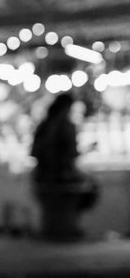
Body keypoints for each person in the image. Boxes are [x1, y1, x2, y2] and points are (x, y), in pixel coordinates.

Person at [30, 93, 95, 239]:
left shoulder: (44, 124)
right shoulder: (66, 126)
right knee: (91, 185)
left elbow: (34, 151)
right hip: (59, 174)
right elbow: (72, 154)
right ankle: (69, 225)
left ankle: (60, 226)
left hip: (42, 172)